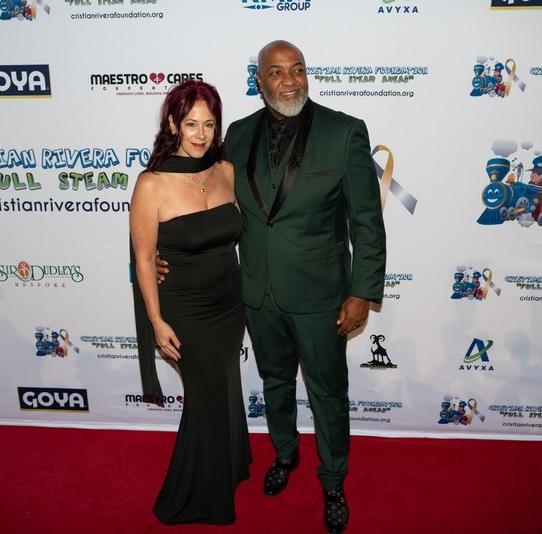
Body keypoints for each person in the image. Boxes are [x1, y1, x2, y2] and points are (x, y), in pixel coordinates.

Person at [158, 41, 387, 533]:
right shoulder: (238, 135)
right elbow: (202, 196)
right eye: (277, 72)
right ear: (259, 81)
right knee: (275, 381)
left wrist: (362, 292)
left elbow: (367, 221)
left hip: (322, 296)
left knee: (327, 392)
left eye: (298, 70)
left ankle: (333, 480)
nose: (289, 80)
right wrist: (166, 252)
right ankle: (285, 453)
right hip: (256, 293)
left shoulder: (345, 131)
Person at [129, 80, 252, 526]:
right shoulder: (151, 184)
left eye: (209, 124)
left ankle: (231, 465)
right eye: (191, 124)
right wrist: (156, 320)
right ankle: (196, 496)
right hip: (184, 308)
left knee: (225, 385)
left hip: (229, 303)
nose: (200, 134)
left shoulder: (226, 171)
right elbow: (145, 260)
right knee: (205, 395)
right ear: (173, 124)